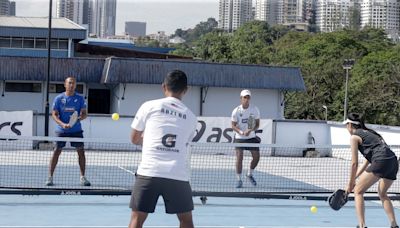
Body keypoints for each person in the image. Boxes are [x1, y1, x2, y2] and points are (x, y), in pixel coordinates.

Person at [129, 70, 197, 228]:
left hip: (149, 172)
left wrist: (148, 138)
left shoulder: (149, 106)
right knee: (186, 221)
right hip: (177, 174)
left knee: (136, 220)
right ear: (186, 90)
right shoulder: (192, 117)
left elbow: (134, 139)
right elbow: (183, 142)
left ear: (164, 87)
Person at [344, 113, 398, 228]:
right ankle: (394, 225)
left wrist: (350, 184)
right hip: (393, 162)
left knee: (358, 191)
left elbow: (354, 163)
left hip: (381, 161)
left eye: (346, 125)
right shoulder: (370, 133)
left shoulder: (354, 137)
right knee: (383, 194)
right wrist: (355, 178)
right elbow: (368, 161)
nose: (346, 128)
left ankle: (362, 225)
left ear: (349, 125)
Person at [45, 76, 90, 187]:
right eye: (69, 83)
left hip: (76, 130)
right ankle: (50, 178)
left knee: (81, 152)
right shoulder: (59, 99)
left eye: (73, 83)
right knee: (56, 152)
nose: (71, 85)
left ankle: (83, 178)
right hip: (61, 130)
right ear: (65, 84)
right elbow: (54, 115)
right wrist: (62, 124)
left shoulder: (80, 99)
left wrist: (78, 119)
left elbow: (84, 113)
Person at [231, 89, 261, 188]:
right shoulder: (236, 111)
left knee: (256, 157)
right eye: (245, 97)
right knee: (239, 158)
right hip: (240, 137)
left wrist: (250, 131)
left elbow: (257, 125)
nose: (246, 99)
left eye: (248, 97)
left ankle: (249, 174)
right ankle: (239, 180)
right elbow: (233, 125)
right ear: (241, 98)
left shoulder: (254, 109)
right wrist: (241, 132)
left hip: (251, 136)